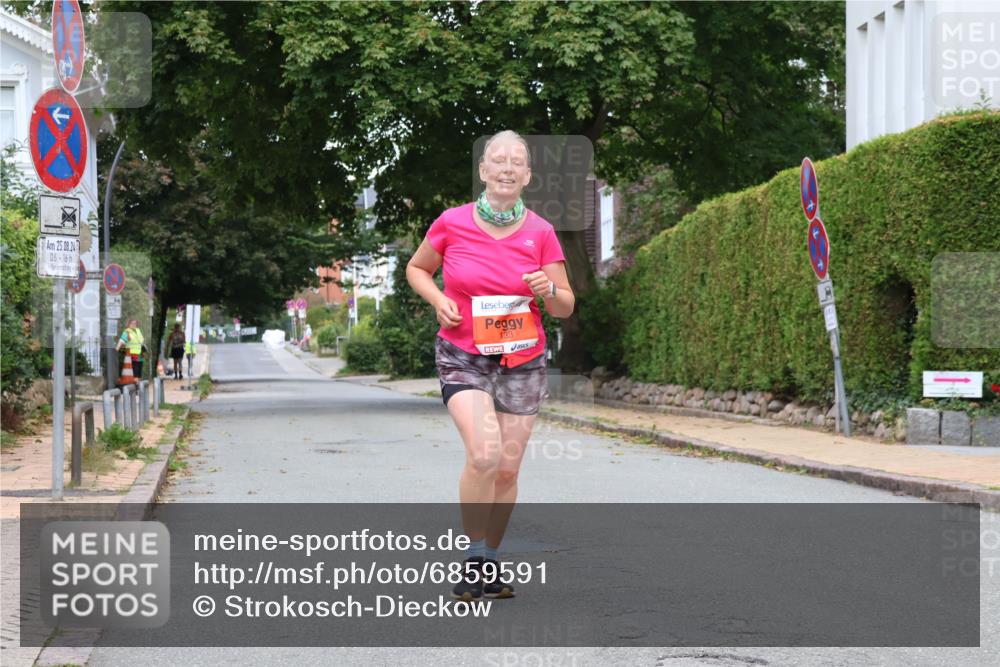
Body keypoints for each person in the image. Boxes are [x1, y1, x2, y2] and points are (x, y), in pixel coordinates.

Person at [406, 130, 574, 601]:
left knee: (506, 469)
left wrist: (548, 290)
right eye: (496, 159)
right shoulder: (452, 223)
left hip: (522, 360)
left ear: (526, 176)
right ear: (482, 171)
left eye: (515, 161)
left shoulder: (540, 231)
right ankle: (474, 557)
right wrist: (439, 298)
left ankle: (489, 564)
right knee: (484, 453)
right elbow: (417, 268)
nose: (505, 167)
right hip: (463, 355)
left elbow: (565, 306)